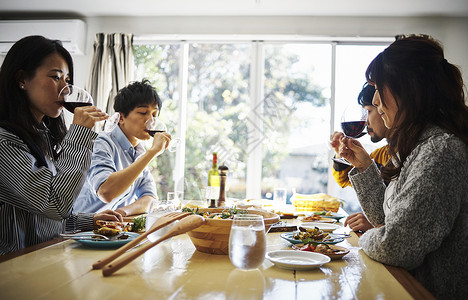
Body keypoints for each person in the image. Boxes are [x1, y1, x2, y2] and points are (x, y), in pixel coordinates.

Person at [338, 35, 468, 299]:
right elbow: (388, 221)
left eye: (379, 87)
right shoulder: (415, 146)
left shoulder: (439, 151)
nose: (374, 101)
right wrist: (364, 166)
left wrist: (360, 240)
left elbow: (395, 246)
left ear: (409, 90)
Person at [0, 35, 123, 255]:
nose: (65, 89)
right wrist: (81, 134)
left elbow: (41, 217)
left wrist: (89, 221)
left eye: (67, 80)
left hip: (40, 260)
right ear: (22, 79)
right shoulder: (4, 143)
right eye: (56, 77)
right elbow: (55, 205)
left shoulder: (43, 136)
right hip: (12, 271)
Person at [74, 80, 170, 217]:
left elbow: (149, 198)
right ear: (121, 118)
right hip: (81, 231)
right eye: (143, 112)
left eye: (154, 115)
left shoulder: (139, 152)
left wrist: (121, 213)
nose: (151, 121)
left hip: (112, 231)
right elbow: (105, 192)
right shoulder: (101, 142)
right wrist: (152, 152)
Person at [330, 83, 389, 232]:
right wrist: (340, 153)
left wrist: (374, 225)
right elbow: (344, 180)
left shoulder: (416, 155)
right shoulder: (380, 155)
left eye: (369, 111)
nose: (365, 121)